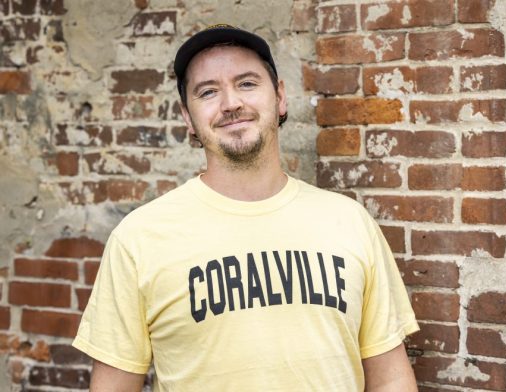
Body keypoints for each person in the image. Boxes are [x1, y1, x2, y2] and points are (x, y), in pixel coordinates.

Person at [73, 24, 419, 391]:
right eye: (208, 92)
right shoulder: (138, 238)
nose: (231, 103)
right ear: (188, 117)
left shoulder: (350, 222)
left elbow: (390, 379)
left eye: (247, 83)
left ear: (280, 97)